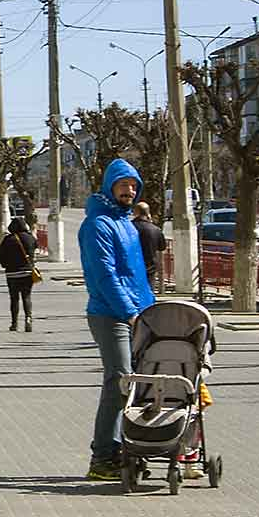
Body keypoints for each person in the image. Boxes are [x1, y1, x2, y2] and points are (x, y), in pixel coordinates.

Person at [78, 159, 155, 481]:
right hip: (110, 314)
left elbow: (136, 275)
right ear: (110, 187)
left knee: (141, 382)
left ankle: (131, 448)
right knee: (120, 380)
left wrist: (150, 310)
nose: (129, 191)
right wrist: (130, 312)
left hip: (138, 313)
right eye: (123, 185)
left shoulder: (126, 223)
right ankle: (102, 457)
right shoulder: (98, 225)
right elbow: (105, 276)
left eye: (134, 186)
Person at [0, 217, 38, 332]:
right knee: (27, 296)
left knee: (14, 298)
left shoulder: (8, 239)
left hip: (12, 273)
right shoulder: (30, 238)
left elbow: (1, 256)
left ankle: (14, 323)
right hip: (27, 272)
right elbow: (35, 249)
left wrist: (5, 265)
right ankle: (28, 318)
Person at [131, 201, 166, 293]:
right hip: (150, 270)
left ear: (135, 212)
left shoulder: (129, 227)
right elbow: (161, 249)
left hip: (131, 269)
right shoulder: (156, 230)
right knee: (148, 296)